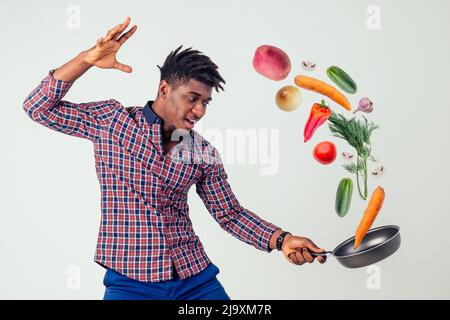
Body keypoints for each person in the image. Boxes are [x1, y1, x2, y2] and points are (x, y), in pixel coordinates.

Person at [22, 17, 327, 300]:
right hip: (129, 282)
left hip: (195, 280)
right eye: (192, 98)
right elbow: (38, 107)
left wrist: (282, 239)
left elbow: (229, 214)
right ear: (165, 89)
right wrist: (85, 60)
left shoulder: (203, 152)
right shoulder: (110, 122)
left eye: (205, 102)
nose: (200, 111)